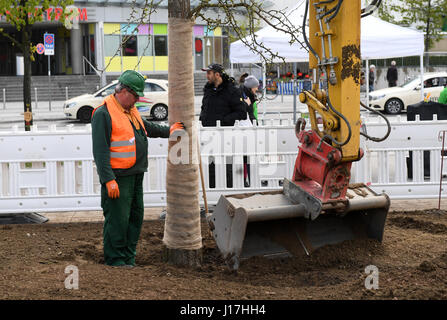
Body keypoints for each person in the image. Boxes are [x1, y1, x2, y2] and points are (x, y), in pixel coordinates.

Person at [91, 70, 184, 268]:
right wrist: (108, 180)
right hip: (118, 177)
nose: (136, 100)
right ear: (123, 91)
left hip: (135, 174)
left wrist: (170, 130)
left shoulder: (129, 110)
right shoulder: (103, 114)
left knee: (135, 217)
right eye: (135, 96)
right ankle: (115, 259)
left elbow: (146, 127)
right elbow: (100, 151)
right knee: (118, 220)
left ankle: (128, 257)